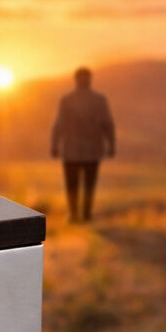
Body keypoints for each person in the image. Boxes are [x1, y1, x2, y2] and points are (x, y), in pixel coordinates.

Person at [51, 67, 116, 222]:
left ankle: (78, 214)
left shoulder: (69, 99)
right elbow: (108, 124)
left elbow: (59, 124)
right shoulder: (97, 100)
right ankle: (81, 214)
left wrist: (55, 144)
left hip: (78, 150)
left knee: (79, 184)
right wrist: (111, 144)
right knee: (84, 184)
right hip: (85, 150)